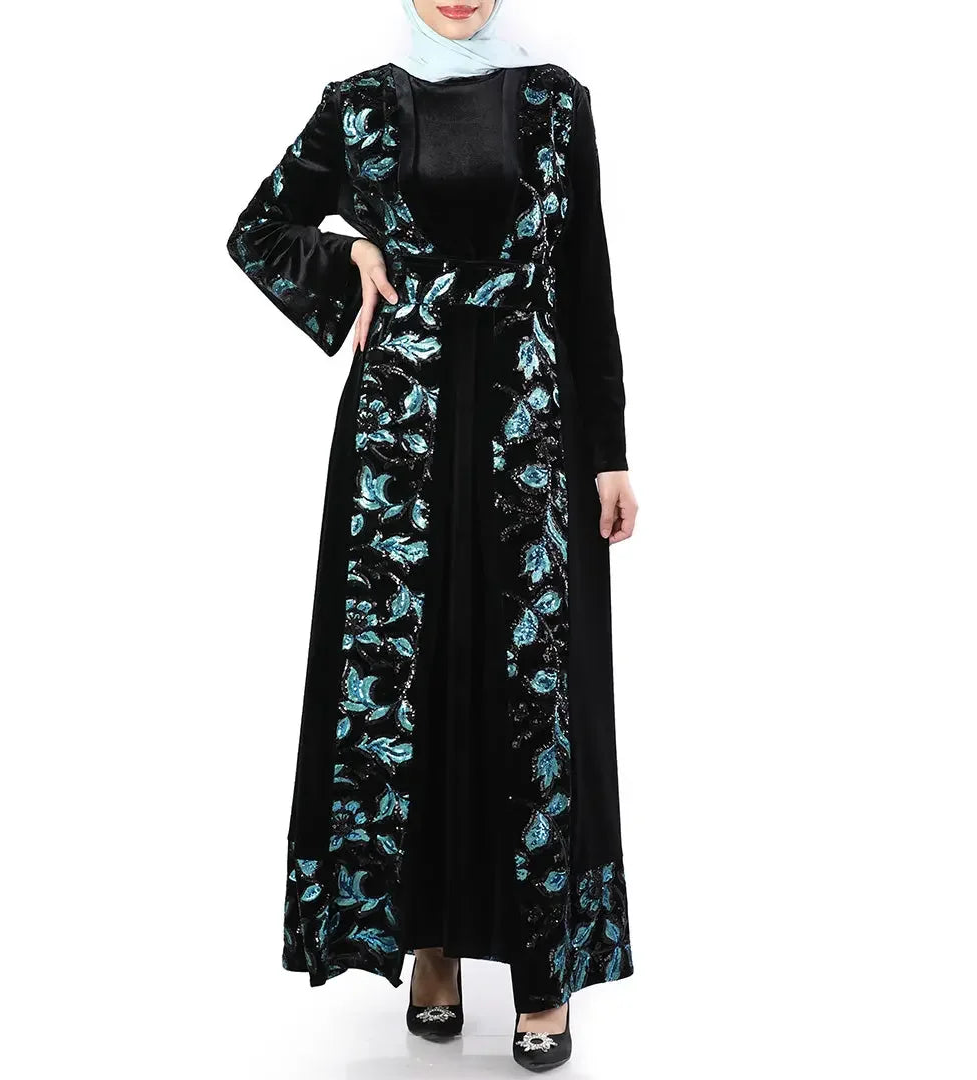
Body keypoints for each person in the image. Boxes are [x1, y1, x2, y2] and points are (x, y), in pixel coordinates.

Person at [226, 0, 637, 1069]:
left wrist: (609, 452)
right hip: (397, 445)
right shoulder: (358, 106)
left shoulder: (556, 103)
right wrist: (349, 253)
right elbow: (259, 231)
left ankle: (543, 974)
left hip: (530, 434)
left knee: (534, 694)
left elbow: (584, 276)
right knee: (412, 682)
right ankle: (432, 946)